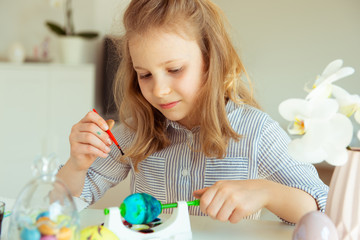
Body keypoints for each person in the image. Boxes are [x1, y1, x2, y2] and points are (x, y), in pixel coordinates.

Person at [57, 0, 328, 224]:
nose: (159, 90)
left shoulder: (257, 131)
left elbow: (324, 210)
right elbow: (62, 206)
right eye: (145, 74)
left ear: (210, 61)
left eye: (174, 70)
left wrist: (268, 192)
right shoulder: (134, 131)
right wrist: (76, 166)